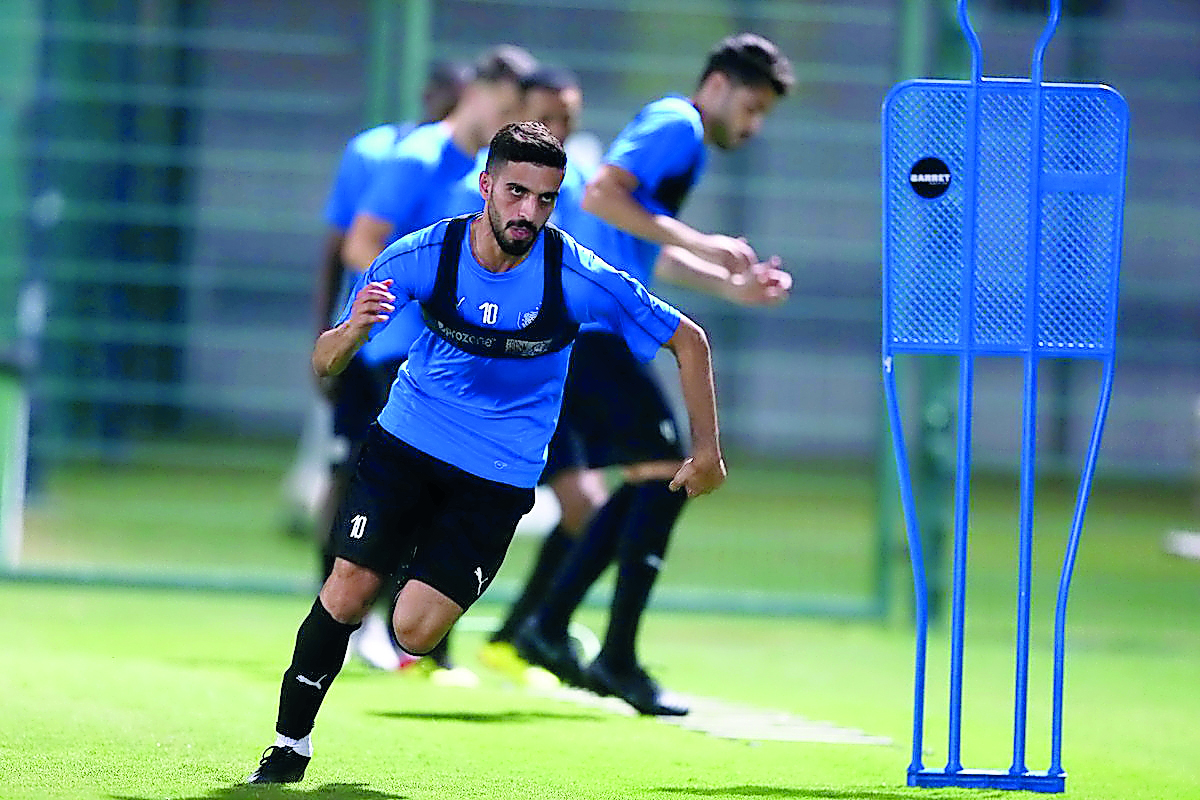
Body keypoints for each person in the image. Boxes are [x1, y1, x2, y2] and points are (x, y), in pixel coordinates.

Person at [246, 121, 727, 784]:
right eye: (516, 193)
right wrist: (350, 332)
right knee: (349, 586)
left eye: (545, 199)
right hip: (406, 446)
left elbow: (690, 340)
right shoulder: (424, 255)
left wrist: (706, 452)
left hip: (495, 480)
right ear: (486, 186)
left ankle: (418, 556)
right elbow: (327, 360)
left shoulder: (577, 276)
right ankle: (287, 747)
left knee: (415, 632)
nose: (529, 211)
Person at [511, 32, 794, 716]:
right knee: (671, 470)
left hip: (585, 327)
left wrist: (728, 284)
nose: (752, 127)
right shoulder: (679, 125)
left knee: (650, 476)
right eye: (752, 108)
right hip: (591, 329)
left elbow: (640, 245)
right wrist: (704, 240)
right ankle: (606, 653)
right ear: (719, 85)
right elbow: (608, 197)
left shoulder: (671, 131)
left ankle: (549, 628)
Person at [327, 45, 539, 678]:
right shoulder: (419, 156)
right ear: (480, 90)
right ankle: (359, 625)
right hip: (391, 352)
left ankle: (414, 640)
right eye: (507, 106)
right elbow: (360, 243)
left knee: (440, 492)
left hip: (437, 358)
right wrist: (424, 297)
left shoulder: (478, 169)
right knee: (380, 494)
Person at [307, 60, 470, 673]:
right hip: (369, 348)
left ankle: (405, 631)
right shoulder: (378, 152)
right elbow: (338, 247)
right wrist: (323, 337)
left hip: (426, 356)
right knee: (350, 474)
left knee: (423, 487)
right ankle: (333, 607)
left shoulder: (475, 170)